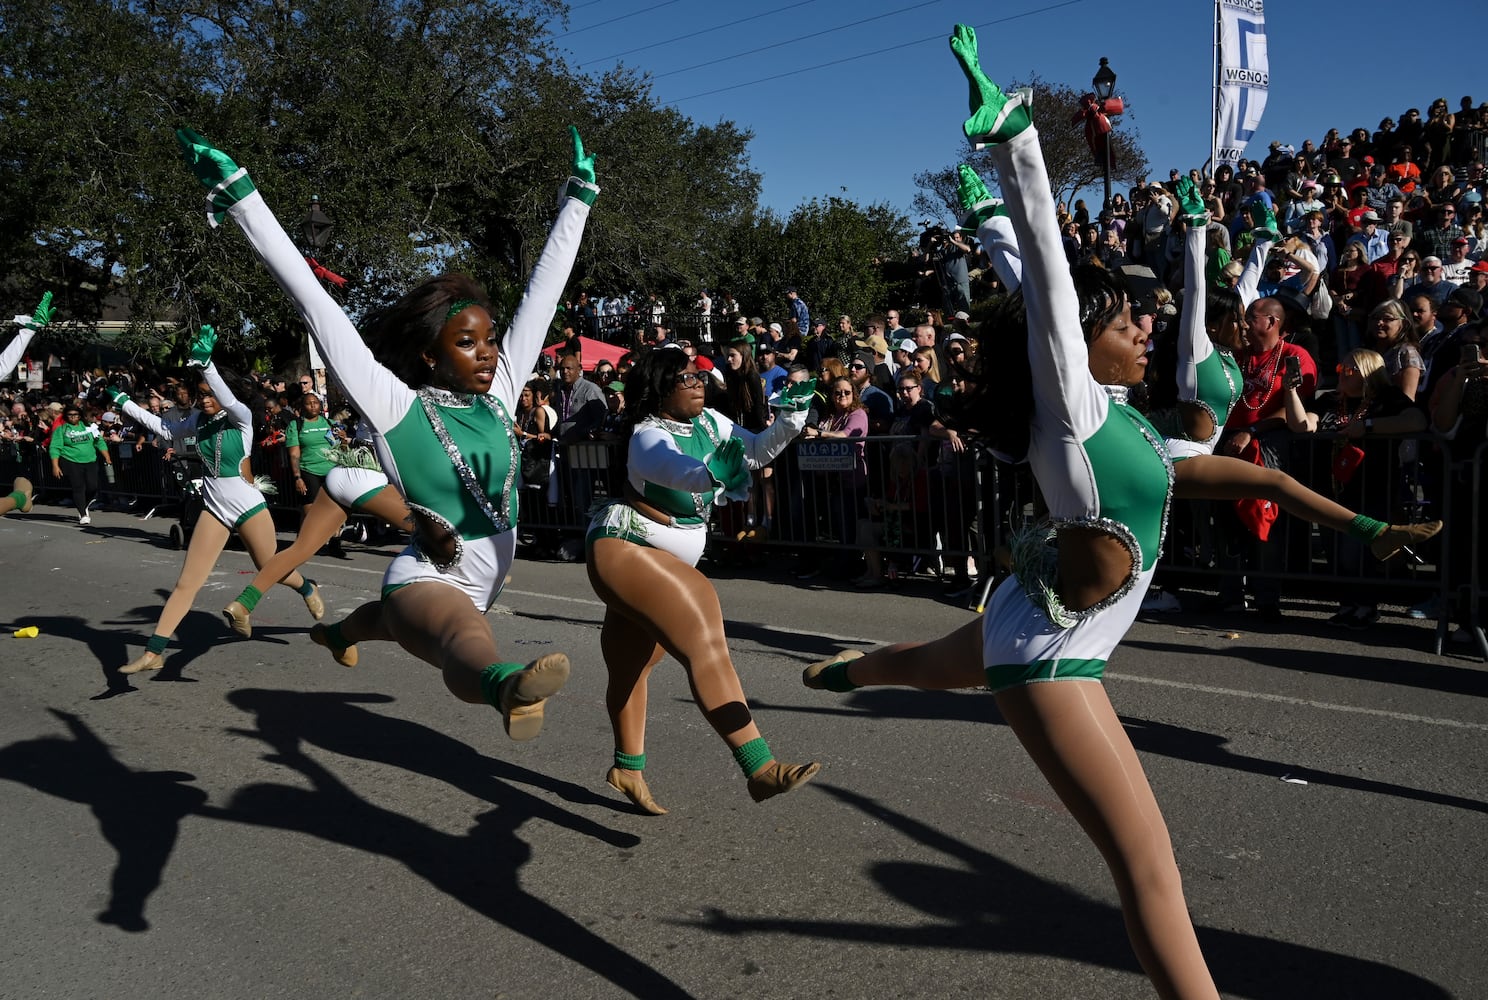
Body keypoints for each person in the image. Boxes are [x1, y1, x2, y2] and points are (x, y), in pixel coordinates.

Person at [807, 34, 1224, 995]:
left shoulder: (1121, 413)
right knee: (1150, 867)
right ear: (1085, 343)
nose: (1145, 330)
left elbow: (1026, 281)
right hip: (1053, 654)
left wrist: (988, 214)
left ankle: (847, 670)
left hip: (1022, 615)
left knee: (919, 666)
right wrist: (1019, 148)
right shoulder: (1075, 409)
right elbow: (1047, 282)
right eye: (1129, 323)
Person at [177, 125, 597, 736]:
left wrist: (577, 201)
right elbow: (316, 307)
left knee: (383, 624)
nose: (487, 353)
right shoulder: (396, 405)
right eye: (466, 342)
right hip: (432, 571)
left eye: (489, 340)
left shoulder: (502, 392)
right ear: (430, 355)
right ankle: (507, 687)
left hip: (484, 569)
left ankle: (334, 630)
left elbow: (543, 295)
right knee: (461, 634)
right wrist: (243, 197)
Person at [584, 347, 818, 813]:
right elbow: (676, 469)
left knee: (632, 666)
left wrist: (791, 419)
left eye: (697, 376)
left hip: (662, 558)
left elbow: (753, 451)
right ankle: (760, 765)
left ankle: (627, 767)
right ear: (658, 390)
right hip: (628, 545)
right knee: (705, 631)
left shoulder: (711, 421)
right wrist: (710, 473)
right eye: (683, 378)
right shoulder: (646, 435)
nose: (696, 383)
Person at [108, 326, 323, 673]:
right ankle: (155, 650)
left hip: (249, 507)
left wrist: (207, 366)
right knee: (186, 582)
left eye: (210, 394)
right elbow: (163, 430)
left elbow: (230, 399)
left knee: (269, 567)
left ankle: (307, 586)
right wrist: (124, 403)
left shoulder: (241, 419)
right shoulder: (195, 420)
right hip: (215, 508)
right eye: (201, 394)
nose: (205, 400)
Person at [220, 445, 413, 650]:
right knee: (440, 535)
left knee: (300, 549)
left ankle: (244, 603)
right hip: (370, 479)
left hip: (342, 474)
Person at [49, 399, 113, 525]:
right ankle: (83, 513)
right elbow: (55, 447)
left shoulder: (89, 427)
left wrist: (107, 456)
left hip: (90, 460)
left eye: (76, 415)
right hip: (71, 461)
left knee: (93, 487)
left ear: (80, 416)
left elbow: (99, 441)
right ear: (66, 416)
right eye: (70, 415)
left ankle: (84, 504)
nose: (73, 417)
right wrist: (55, 465)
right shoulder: (62, 429)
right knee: (78, 486)